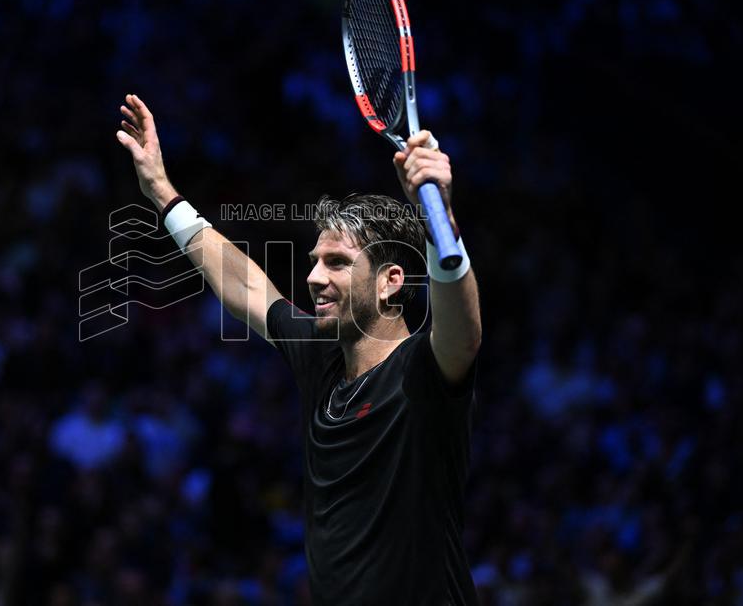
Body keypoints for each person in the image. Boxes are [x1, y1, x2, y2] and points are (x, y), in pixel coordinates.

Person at [116, 94, 482, 604]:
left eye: (336, 262)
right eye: (314, 260)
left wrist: (441, 218)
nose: (312, 277)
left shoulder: (423, 370)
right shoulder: (321, 355)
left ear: (390, 282)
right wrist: (161, 191)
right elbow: (246, 287)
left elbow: (464, 329)